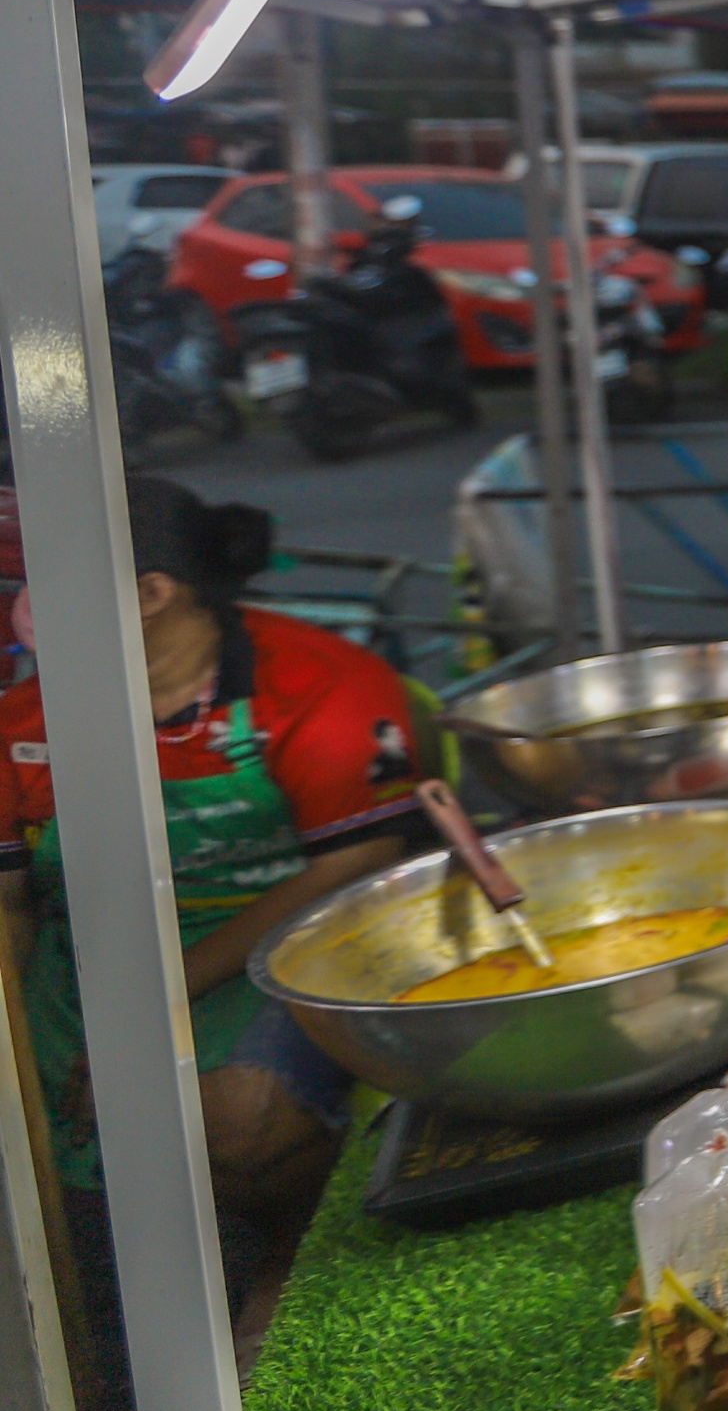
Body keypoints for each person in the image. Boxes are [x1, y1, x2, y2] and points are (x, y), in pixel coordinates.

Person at [1, 480, 420, 1318]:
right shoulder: (22, 717)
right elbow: (11, 903)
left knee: (233, 1121)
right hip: (85, 957)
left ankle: (288, 1252)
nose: (18, 609)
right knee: (56, 1157)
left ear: (154, 593)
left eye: (27, 582)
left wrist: (154, 1009)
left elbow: (360, 857)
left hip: (278, 940)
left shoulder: (323, 686)